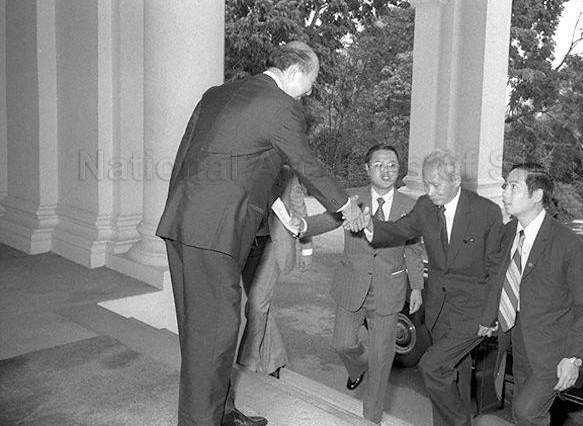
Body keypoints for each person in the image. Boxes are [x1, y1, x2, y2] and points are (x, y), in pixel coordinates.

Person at [156, 41, 364, 426]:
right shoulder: (282, 106)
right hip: (214, 234)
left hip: (183, 223)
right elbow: (306, 164)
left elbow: (190, 159)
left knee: (201, 332)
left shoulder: (217, 94)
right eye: (311, 82)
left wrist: (179, 215)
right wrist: (345, 205)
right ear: (295, 71)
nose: (309, 92)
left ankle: (222, 412)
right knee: (215, 335)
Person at [357, 149, 506, 426]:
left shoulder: (486, 212)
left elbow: (496, 270)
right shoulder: (426, 206)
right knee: (453, 373)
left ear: (456, 180)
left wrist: (489, 317)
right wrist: (371, 226)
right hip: (439, 308)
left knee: (432, 367)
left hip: (472, 312)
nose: (429, 191)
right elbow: (400, 229)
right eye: (426, 184)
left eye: (436, 185)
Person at [297, 144, 425, 425]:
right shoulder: (352, 199)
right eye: (378, 165)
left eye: (392, 165)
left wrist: (416, 286)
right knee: (342, 344)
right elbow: (329, 219)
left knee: (382, 360)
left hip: (388, 290)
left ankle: (372, 418)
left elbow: (413, 249)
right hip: (352, 285)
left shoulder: (411, 206)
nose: (386, 171)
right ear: (367, 169)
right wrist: (303, 226)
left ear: (399, 169)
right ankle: (359, 366)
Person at [492, 162, 583, 426]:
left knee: (527, 412)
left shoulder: (569, 244)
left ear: (537, 195)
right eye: (505, 186)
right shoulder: (509, 232)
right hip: (519, 341)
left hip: (554, 351)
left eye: (514, 187)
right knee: (521, 413)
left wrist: (574, 358)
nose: (505, 193)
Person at [237, 166, 314, 378]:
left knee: (257, 303)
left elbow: (299, 211)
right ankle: (275, 359)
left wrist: (306, 248)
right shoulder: (241, 167)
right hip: (245, 246)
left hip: (271, 245)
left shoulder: (287, 173)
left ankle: (249, 361)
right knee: (258, 305)